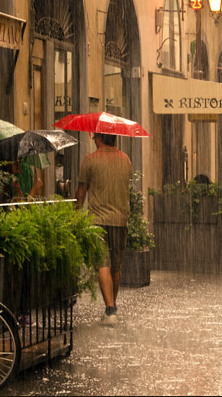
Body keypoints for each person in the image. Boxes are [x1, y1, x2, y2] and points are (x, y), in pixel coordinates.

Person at [75, 132, 132, 326]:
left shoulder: (90, 160)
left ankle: (110, 309)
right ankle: (111, 307)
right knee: (116, 267)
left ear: (99, 139)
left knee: (102, 264)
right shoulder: (126, 160)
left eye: (94, 139)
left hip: (97, 220)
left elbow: (82, 190)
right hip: (120, 219)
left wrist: (76, 213)